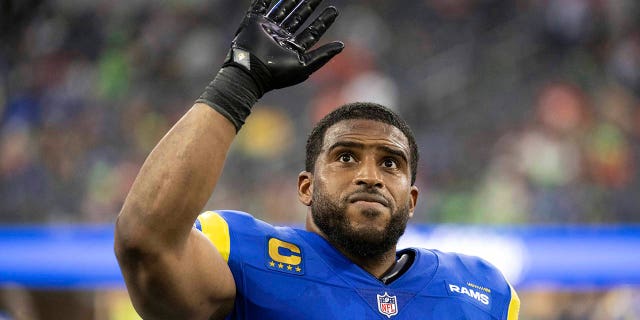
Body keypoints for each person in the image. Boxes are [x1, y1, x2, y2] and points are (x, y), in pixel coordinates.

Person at [114, 0, 520, 319]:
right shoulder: (243, 256)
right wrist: (240, 81)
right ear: (306, 187)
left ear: (412, 200)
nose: (370, 176)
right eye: (345, 157)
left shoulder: (486, 292)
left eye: (390, 163)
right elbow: (144, 243)